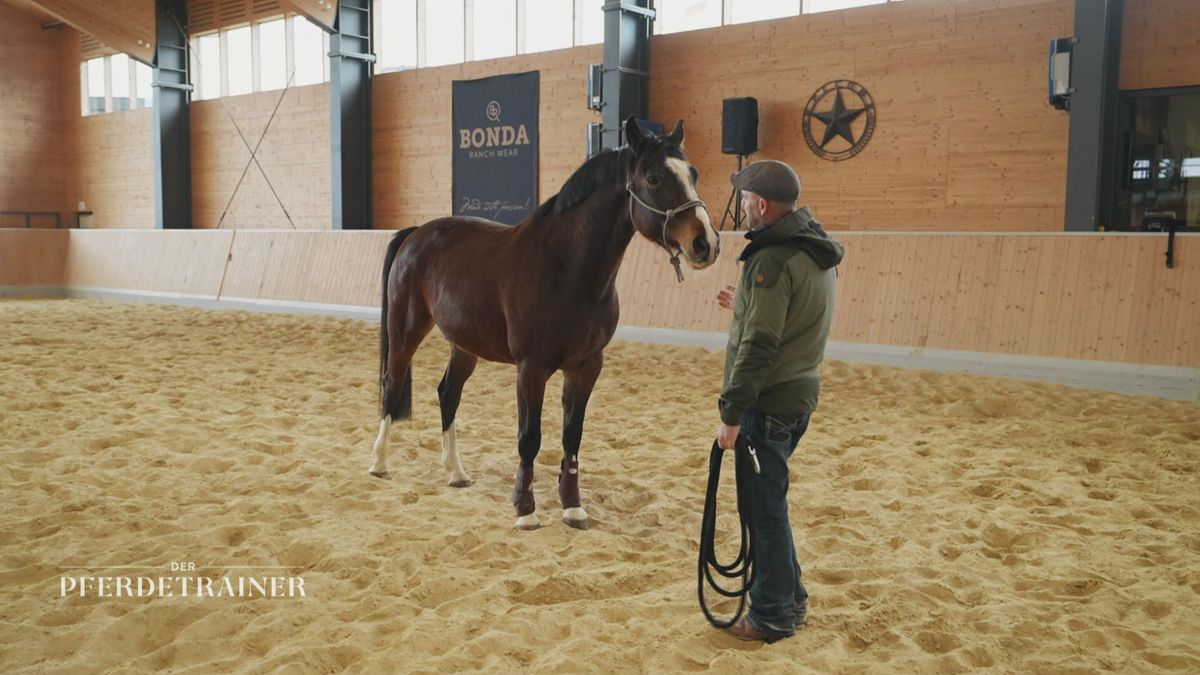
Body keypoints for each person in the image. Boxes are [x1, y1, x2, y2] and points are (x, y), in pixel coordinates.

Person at [714, 159, 843, 643]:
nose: (743, 206)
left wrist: (730, 412)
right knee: (771, 504)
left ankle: (771, 615)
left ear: (761, 205)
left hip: (767, 403)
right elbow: (792, 314)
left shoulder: (769, 260)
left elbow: (762, 345)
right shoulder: (811, 250)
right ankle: (792, 599)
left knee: (763, 512)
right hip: (799, 396)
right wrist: (745, 303)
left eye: (746, 199)